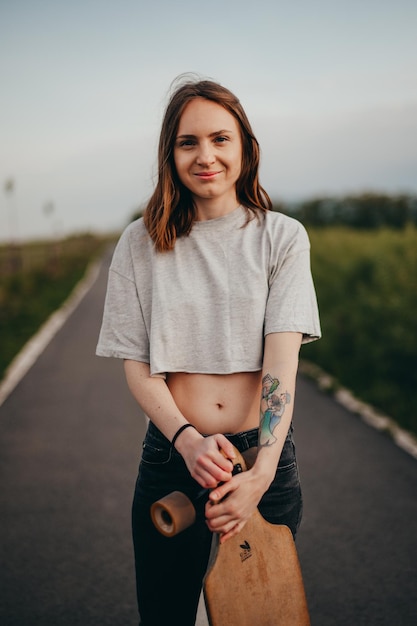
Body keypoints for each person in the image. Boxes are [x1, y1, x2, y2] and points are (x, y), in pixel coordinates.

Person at [96, 76, 321, 626]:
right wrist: (189, 441)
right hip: (174, 457)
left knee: (260, 614)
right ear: (169, 153)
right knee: (167, 614)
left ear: (244, 146)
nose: (205, 156)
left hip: (261, 460)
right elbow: (139, 367)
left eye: (220, 139)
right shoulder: (140, 243)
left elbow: (281, 367)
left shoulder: (282, 238)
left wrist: (262, 472)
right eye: (187, 142)